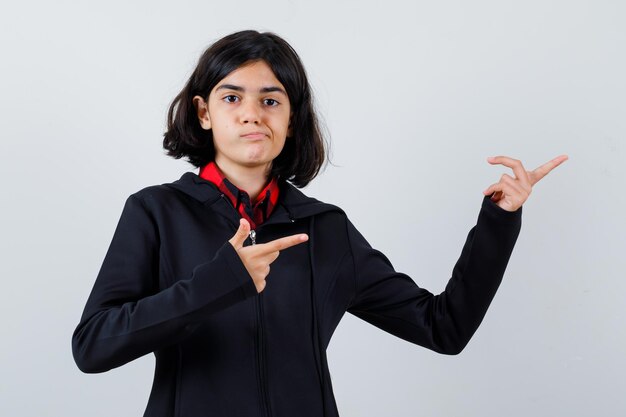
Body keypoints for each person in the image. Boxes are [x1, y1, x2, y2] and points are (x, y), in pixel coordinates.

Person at [72, 30, 567, 417]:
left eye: (270, 100)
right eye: (231, 98)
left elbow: (444, 328)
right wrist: (220, 281)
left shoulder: (324, 228)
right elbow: (93, 346)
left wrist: (499, 221)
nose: (251, 115)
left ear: (291, 119)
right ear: (203, 112)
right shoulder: (156, 212)